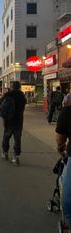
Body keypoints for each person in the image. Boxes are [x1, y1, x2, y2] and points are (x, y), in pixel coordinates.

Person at [0, 81, 27, 166]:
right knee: (17, 139)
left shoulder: (8, 94)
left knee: (6, 137)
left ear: (11, 86)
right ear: (19, 87)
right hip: (19, 121)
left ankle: (5, 153)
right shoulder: (22, 96)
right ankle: (16, 157)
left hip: (9, 121)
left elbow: (1, 104)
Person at [55, 93, 71, 229]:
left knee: (67, 197)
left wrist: (61, 149)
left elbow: (60, 138)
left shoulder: (67, 110)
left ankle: (68, 222)